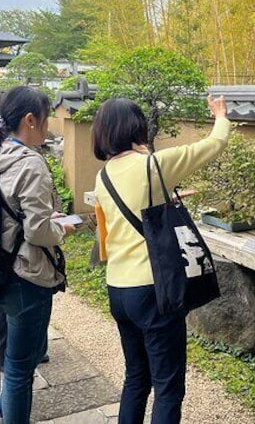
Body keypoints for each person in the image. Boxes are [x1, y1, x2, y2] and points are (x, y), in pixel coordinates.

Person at [91, 95, 229, 424]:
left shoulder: (102, 176)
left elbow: (105, 237)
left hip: (118, 289)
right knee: (168, 387)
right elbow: (214, 144)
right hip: (153, 291)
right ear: (137, 127)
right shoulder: (153, 166)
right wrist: (220, 114)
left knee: (136, 379)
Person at [0, 87, 73, 424]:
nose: (49, 128)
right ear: (30, 120)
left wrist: (43, 221)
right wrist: (62, 229)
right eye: (46, 120)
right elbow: (37, 232)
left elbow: (11, 213)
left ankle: (2, 416)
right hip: (27, 273)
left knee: (12, 359)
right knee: (19, 368)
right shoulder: (30, 163)